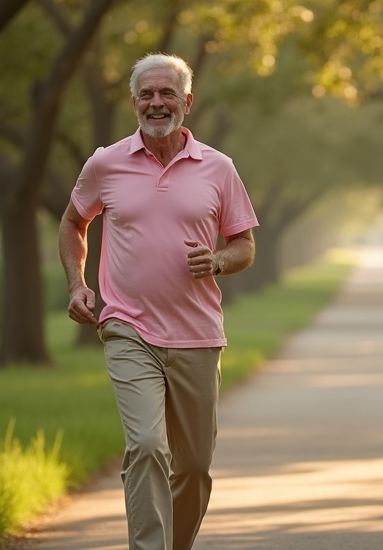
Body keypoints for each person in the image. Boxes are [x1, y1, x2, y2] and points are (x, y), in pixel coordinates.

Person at [58, 52, 258, 550]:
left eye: (166, 93)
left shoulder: (219, 168)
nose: (156, 102)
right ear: (133, 103)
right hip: (128, 327)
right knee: (147, 445)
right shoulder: (106, 163)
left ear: (187, 102)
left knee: (193, 465)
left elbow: (245, 246)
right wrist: (77, 283)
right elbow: (73, 222)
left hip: (197, 333)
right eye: (146, 94)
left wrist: (215, 261)